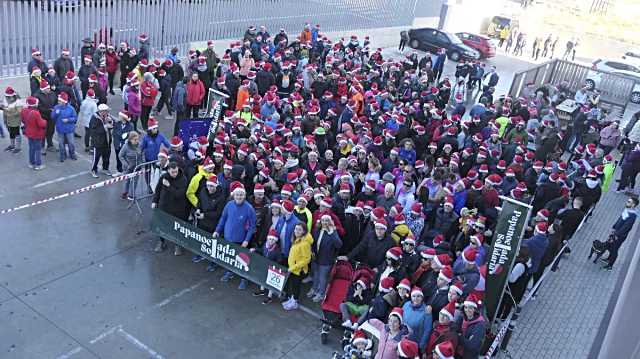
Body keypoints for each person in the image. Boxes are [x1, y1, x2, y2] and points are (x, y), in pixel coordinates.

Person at [214, 181, 257, 289]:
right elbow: (223, 218)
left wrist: (246, 240)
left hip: (241, 241)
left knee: (243, 261)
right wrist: (217, 230)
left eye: (241, 195)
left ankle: (244, 279)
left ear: (244, 196)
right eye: (237, 194)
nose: (239, 197)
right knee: (229, 257)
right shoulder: (229, 205)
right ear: (233, 195)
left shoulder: (249, 208)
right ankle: (229, 272)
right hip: (228, 238)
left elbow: (252, 226)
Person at [151, 162, 189, 255]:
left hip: (177, 209)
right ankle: (161, 241)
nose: (174, 174)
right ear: (168, 170)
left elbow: (179, 194)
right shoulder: (163, 177)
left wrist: (169, 186)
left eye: (176, 171)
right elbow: (158, 190)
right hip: (164, 206)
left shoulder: (183, 179)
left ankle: (177, 244)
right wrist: (154, 201)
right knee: (162, 225)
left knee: (177, 227)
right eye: (172, 172)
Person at [309, 215, 343, 302]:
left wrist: (332, 233)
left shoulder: (333, 232)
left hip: (326, 259)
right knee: (315, 275)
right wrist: (312, 251)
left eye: (327, 220)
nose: (325, 222)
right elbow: (313, 241)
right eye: (323, 220)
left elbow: (339, 244)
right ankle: (314, 289)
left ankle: (321, 293)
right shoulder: (317, 229)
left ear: (330, 222)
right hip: (316, 257)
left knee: (322, 277)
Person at [282, 223, 313, 310]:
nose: (297, 231)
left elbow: (306, 259)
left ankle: (294, 302)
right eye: (296, 229)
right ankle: (292, 299)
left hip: (298, 270)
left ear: (304, 231)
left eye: (299, 229)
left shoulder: (305, 243)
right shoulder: (297, 239)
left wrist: (293, 267)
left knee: (296, 286)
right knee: (293, 285)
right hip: (293, 269)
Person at [603, 197, 639, 270]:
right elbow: (620, 219)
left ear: (633, 205)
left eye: (629, 202)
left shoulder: (632, 215)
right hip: (616, 232)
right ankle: (608, 259)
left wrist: (616, 235)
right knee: (611, 246)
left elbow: (626, 227)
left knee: (614, 249)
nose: (626, 202)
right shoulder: (627, 210)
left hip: (619, 236)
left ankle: (610, 265)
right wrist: (614, 227)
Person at [21, 96, 47, 170]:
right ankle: (38, 165)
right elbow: (41, 124)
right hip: (37, 134)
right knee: (38, 149)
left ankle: (31, 163)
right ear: (35, 104)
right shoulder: (36, 113)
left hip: (29, 133)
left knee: (31, 148)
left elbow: (23, 120)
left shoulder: (24, 110)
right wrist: (45, 121)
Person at [51, 92, 78, 162]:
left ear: (64, 102)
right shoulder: (56, 108)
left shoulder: (71, 108)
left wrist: (68, 120)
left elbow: (75, 118)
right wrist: (56, 113)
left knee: (71, 143)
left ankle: (72, 154)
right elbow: (52, 117)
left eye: (59, 101)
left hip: (69, 129)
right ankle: (63, 155)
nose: (58, 102)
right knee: (61, 144)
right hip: (60, 129)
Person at [89, 103, 114, 177]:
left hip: (107, 141)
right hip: (98, 142)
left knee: (106, 157)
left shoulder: (107, 116)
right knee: (96, 158)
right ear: (101, 111)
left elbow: (113, 124)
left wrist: (111, 122)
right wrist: (105, 127)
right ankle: (93, 170)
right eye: (106, 111)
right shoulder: (94, 118)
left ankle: (105, 168)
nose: (107, 112)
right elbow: (94, 131)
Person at [118, 131, 143, 200]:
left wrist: (141, 163)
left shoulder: (139, 145)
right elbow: (120, 156)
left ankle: (131, 195)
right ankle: (125, 192)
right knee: (127, 181)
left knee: (135, 181)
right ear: (130, 140)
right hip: (128, 168)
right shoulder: (125, 146)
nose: (137, 141)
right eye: (135, 140)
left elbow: (141, 154)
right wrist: (126, 164)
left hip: (137, 167)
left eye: (138, 139)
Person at [1, 87, 23, 153]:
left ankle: (18, 147)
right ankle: (12, 145)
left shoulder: (18, 101)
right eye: (6, 96)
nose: (7, 97)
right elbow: (4, 108)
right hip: (8, 120)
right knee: (11, 133)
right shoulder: (5, 98)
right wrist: (5, 117)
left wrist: (8, 111)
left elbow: (19, 112)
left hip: (15, 121)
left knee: (16, 133)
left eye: (8, 96)